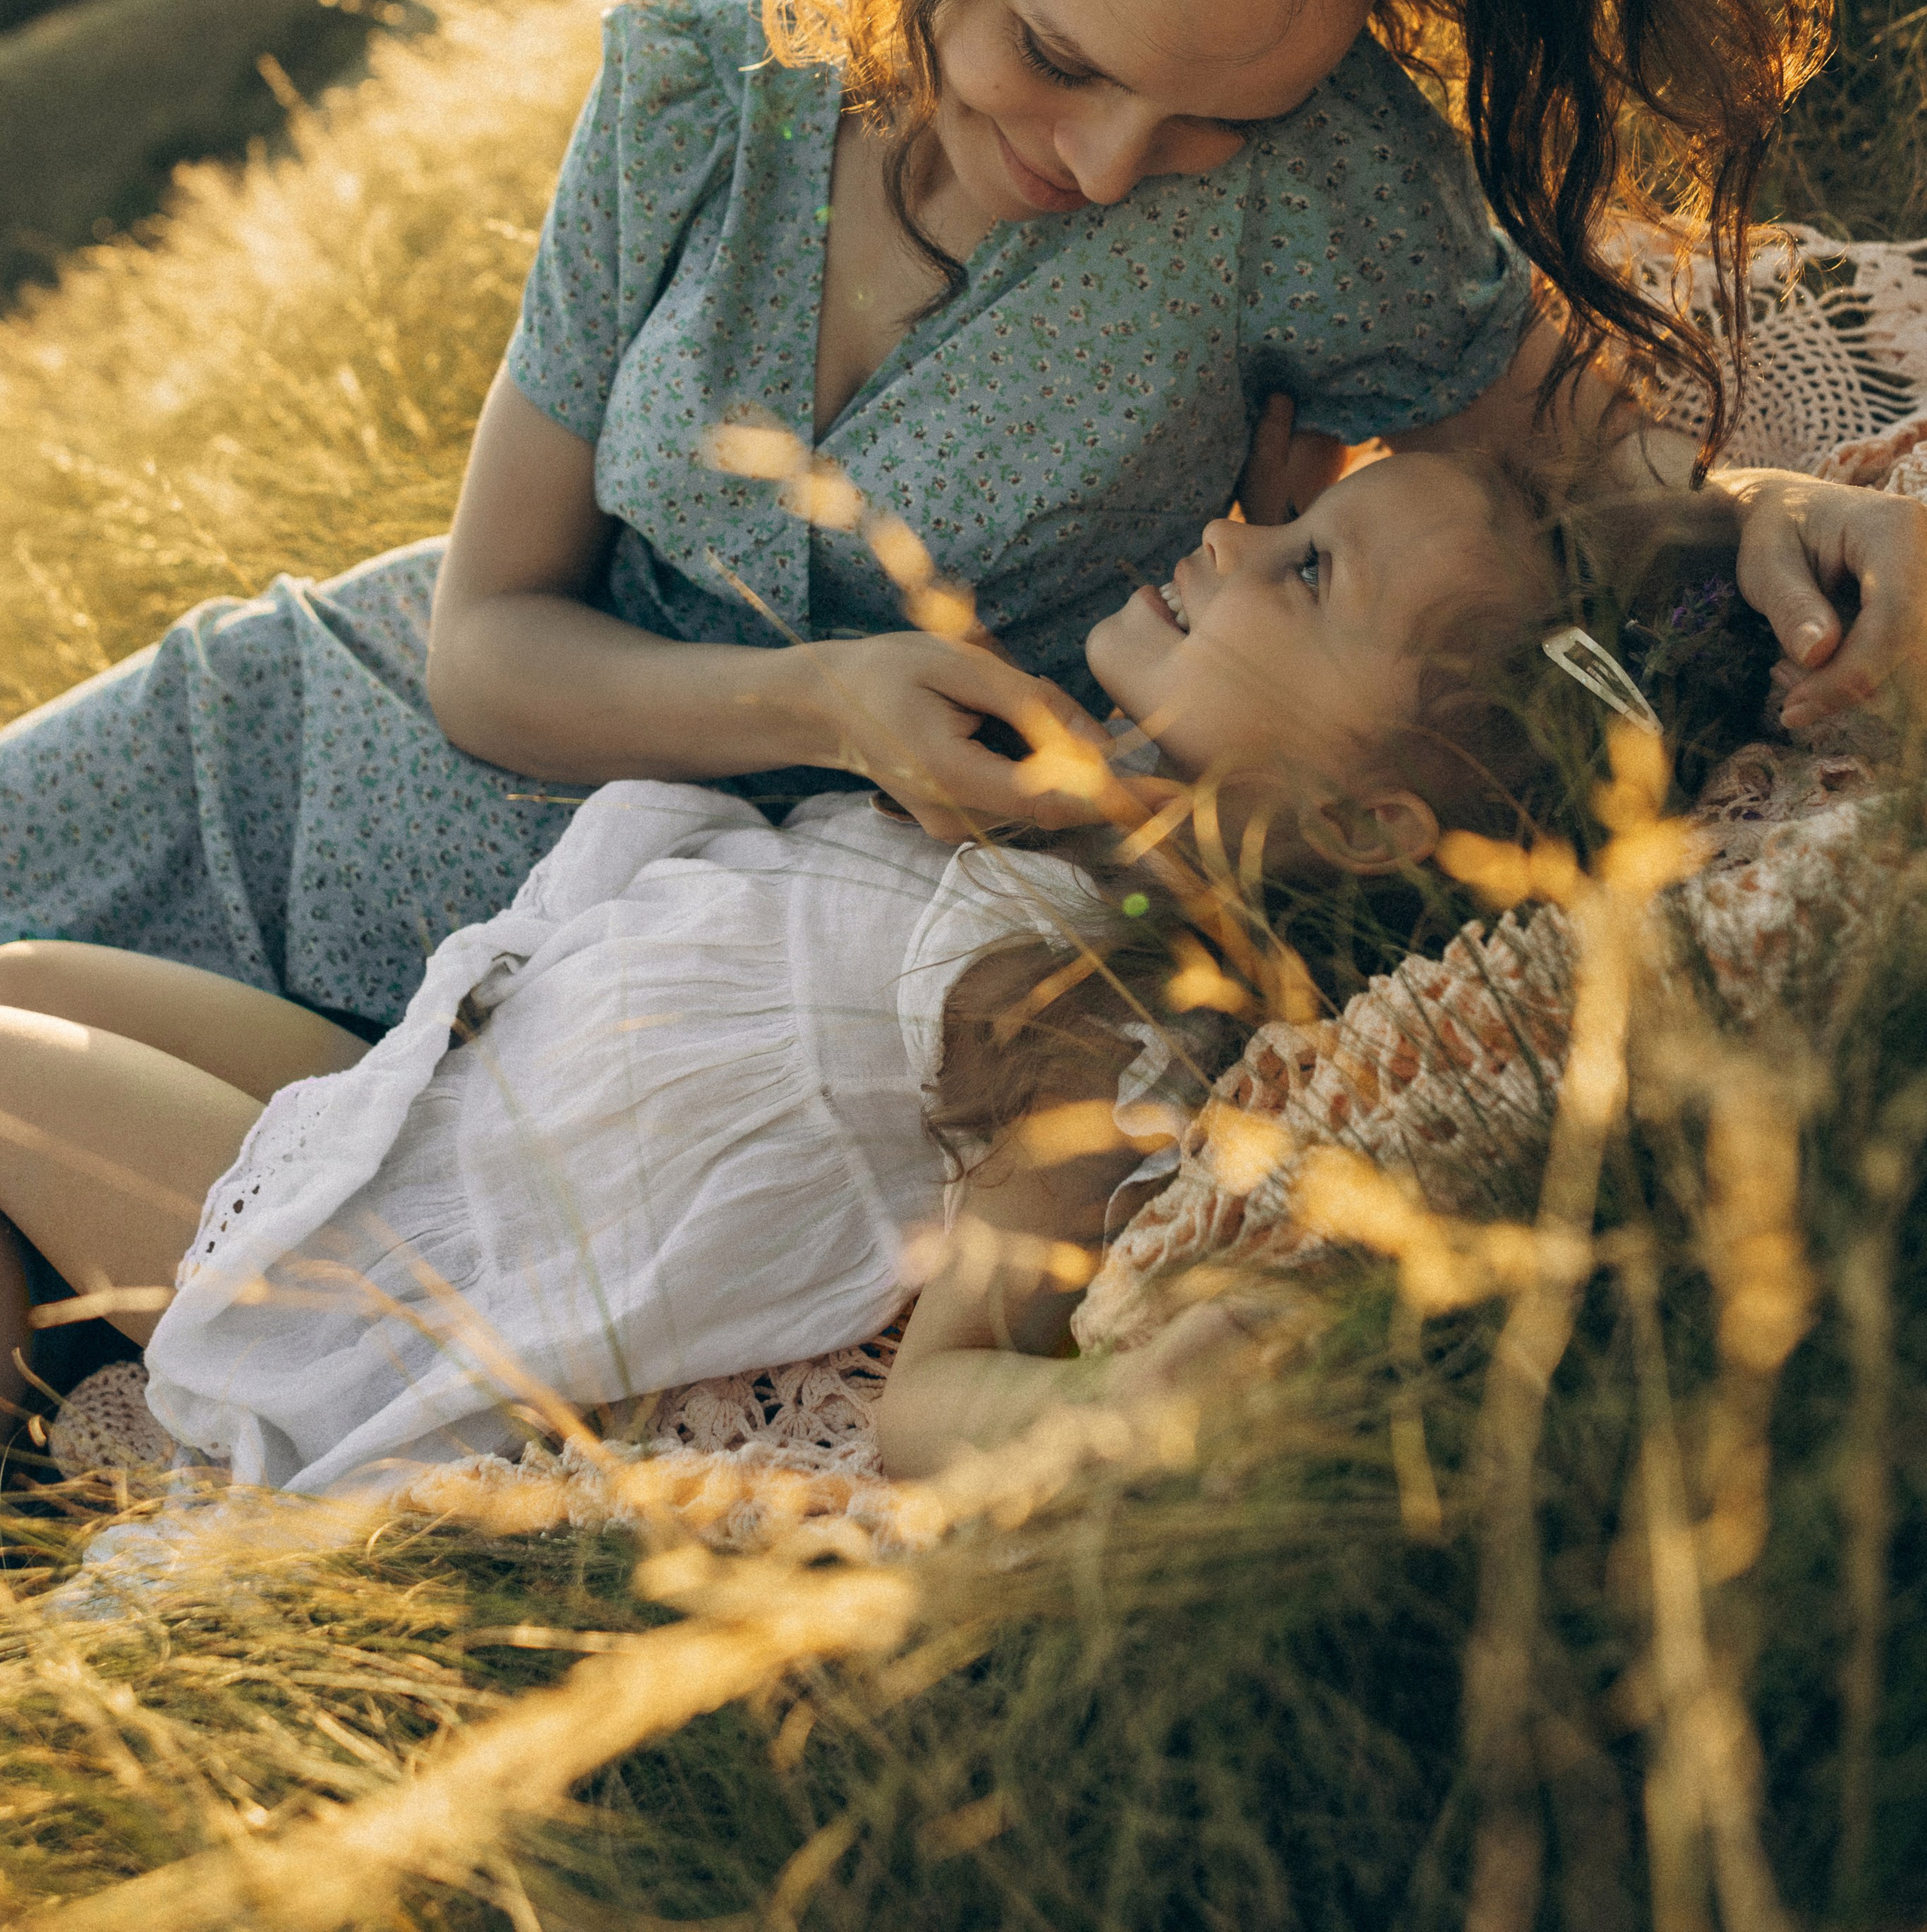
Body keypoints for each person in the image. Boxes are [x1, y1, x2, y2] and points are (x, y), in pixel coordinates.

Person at [3, 0, 1921, 1034]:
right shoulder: (687, 100)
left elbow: (1553, 511)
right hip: (250, 758)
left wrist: (1760, 522)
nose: (1104, 161)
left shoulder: (1312, 177)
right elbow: (484, 642)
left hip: (539, 1009)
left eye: (1209, 117)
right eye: (1054, 57)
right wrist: (820, 705)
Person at [0, 449, 1790, 1485]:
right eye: (1291, 514)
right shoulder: (1036, 799)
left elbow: (940, 1400)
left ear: (1384, 826)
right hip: (396, 1100)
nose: (1238, 533)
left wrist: (1116, 1411)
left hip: (382, 1297)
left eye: (1304, 570)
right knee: (28, 967)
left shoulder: (1113, 1019)